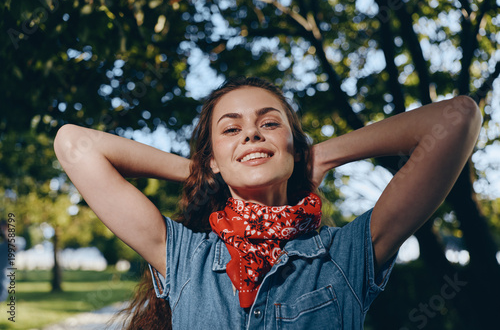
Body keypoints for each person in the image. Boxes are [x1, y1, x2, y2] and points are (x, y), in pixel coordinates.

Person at [54, 77, 481, 329]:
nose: (251, 134)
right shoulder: (183, 256)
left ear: (294, 147)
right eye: (231, 130)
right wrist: (204, 170)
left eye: (269, 123)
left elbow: (458, 117)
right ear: (213, 157)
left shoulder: (348, 255)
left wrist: (324, 155)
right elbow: (74, 144)